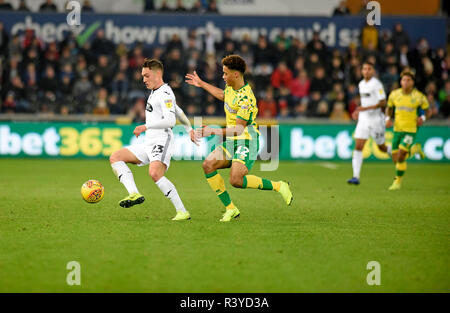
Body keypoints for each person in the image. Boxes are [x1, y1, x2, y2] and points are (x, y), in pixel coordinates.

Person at [185, 55, 293, 222]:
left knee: (236, 180)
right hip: (231, 141)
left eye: (225, 73)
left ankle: (279, 186)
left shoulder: (246, 99)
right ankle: (231, 209)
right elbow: (222, 95)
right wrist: (201, 84)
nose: (223, 76)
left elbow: (238, 130)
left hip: (246, 141)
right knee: (208, 164)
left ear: (236, 75)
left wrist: (212, 131)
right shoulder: (231, 88)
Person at [109, 59, 197, 221]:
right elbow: (178, 111)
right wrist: (189, 129)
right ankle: (134, 194)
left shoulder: (164, 93)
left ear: (157, 74)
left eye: (147, 76)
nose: (144, 79)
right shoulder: (156, 92)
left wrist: (145, 126)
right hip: (149, 142)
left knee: (155, 173)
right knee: (116, 157)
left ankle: (182, 211)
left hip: (162, 141)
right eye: (143, 76)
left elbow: (170, 121)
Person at [385, 70, 430, 190]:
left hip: (410, 130)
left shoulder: (419, 97)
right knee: (396, 160)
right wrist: (388, 119)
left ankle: (397, 182)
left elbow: (428, 110)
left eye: (408, 80)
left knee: (400, 156)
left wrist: (423, 118)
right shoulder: (394, 94)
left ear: (413, 82)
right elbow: (389, 108)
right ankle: (415, 149)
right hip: (397, 129)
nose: (405, 82)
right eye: (403, 80)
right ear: (400, 82)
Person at [348, 61, 392, 185]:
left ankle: (394, 153)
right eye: (364, 69)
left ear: (373, 71)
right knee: (358, 146)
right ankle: (356, 176)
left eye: (369, 69)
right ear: (361, 71)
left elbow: (383, 102)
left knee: (381, 147)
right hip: (364, 119)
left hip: (376, 119)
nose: (366, 71)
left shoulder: (377, 84)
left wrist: (364, 109)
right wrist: (358, 110)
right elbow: (366, 103)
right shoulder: (361, 84)